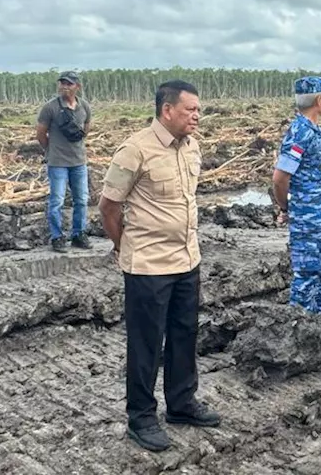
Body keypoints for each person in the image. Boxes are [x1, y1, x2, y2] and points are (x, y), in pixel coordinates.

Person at [98, 80, 221, 452]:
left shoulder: (192, 148)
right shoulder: (135, 150)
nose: (197, 116)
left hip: (187, 259)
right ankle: (141, 417)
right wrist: (125, 247)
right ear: (167, 110)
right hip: (148, 265)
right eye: (190, 110)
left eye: (199, 109)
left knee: (184, 335)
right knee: (146, 344)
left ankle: (182, 404)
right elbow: (108, 207)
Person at [271, 76, 321, 341]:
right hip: (309, 222)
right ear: (319, 100)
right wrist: (286, 207)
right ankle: (301, 334)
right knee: (307, 277)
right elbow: (280, 178)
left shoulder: (314, 131)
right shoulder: (299, 132)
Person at [35, 71, 93, 253]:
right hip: (57, 162)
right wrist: (50, 151)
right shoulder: (50, 108)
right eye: (62, 83)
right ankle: (57, 237)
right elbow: (40, 134)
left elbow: (86, 128)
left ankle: (78, 235)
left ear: (77, 86)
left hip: (79, 161)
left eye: (69, 84)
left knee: (82, 200)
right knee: (57, 201)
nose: (65, 87)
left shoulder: (84, 106)